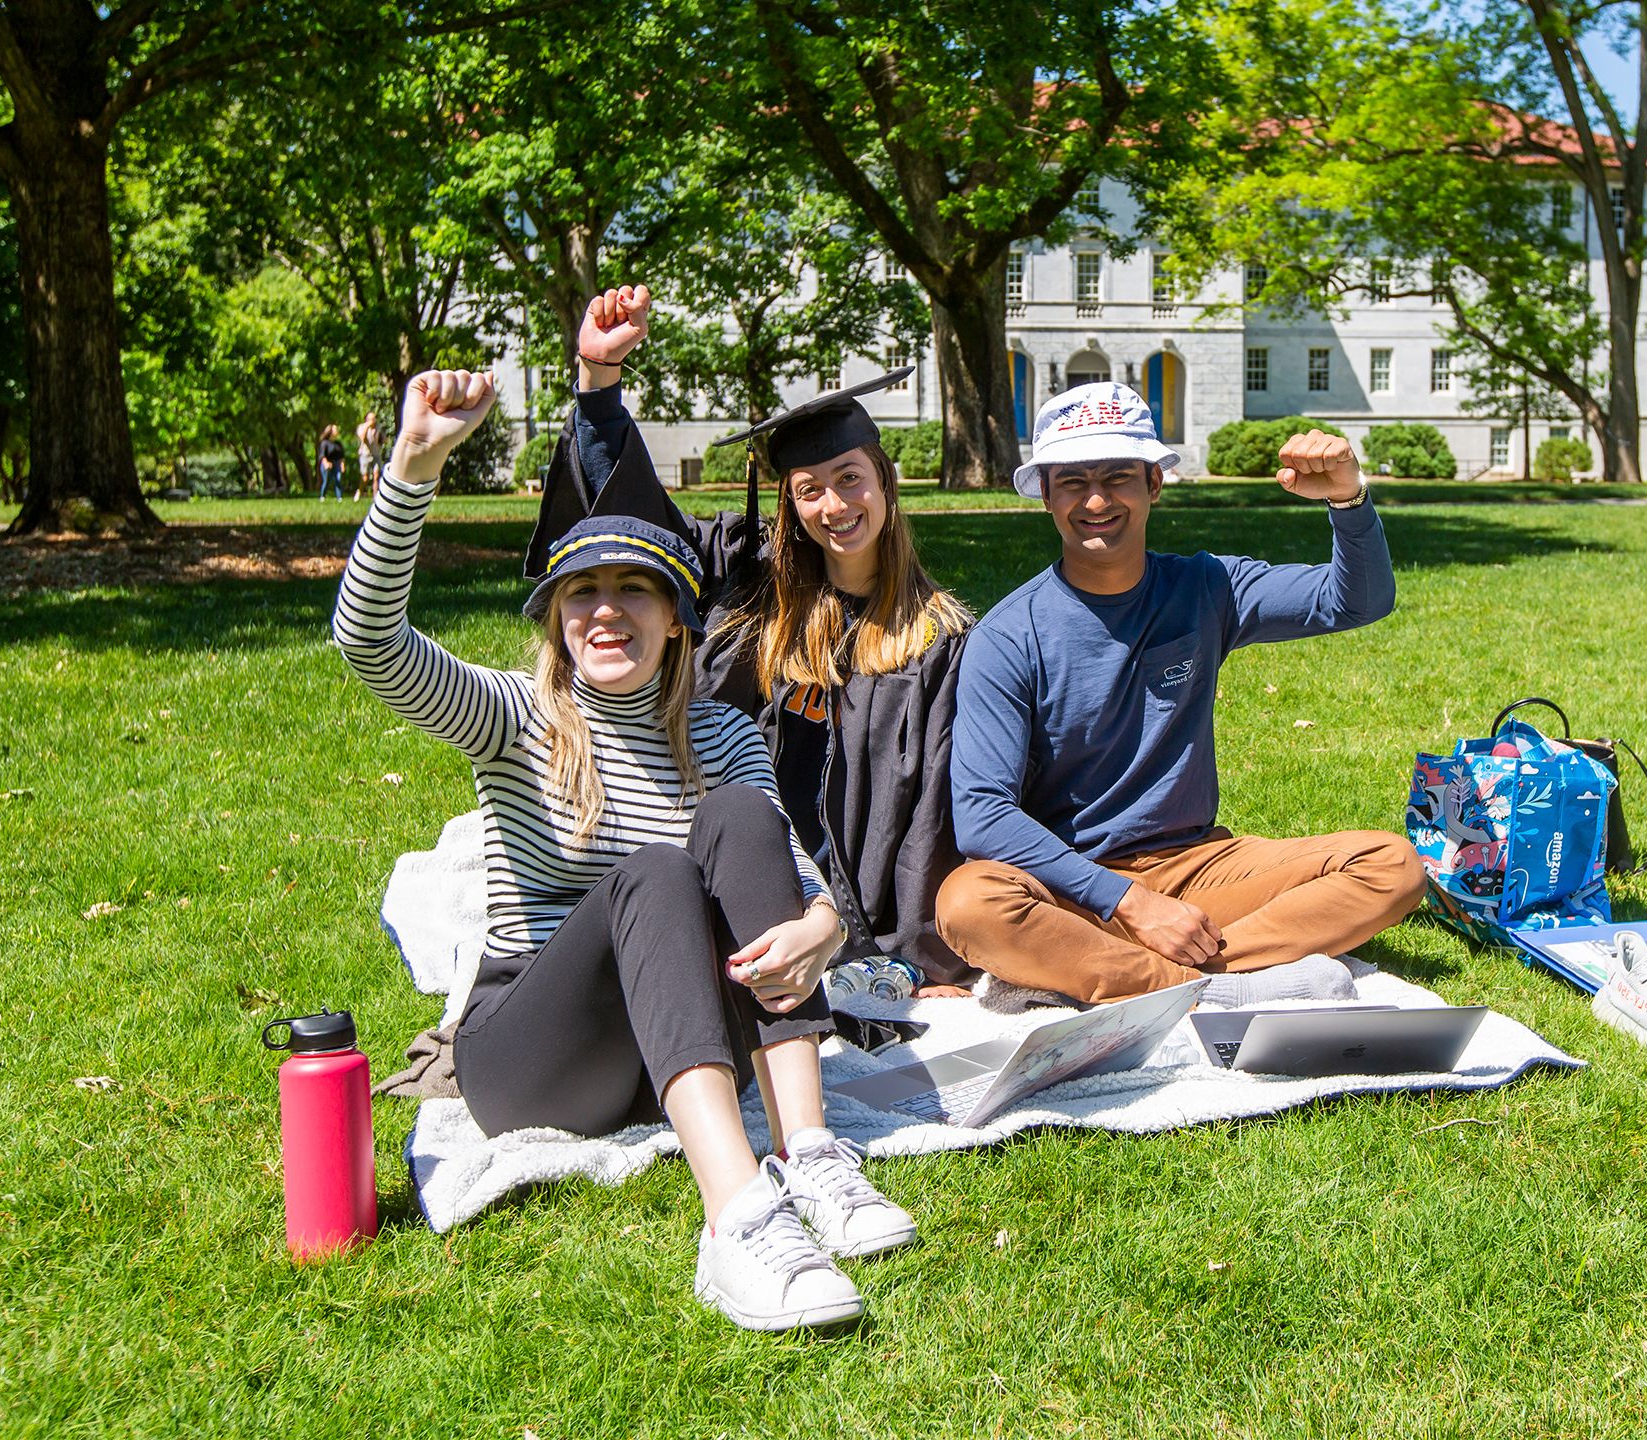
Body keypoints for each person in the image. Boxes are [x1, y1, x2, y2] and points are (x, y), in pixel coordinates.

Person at [333, 367, 913, 1332]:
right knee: (654, 869)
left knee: (731, 819)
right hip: (535, 1052)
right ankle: (735, 1218)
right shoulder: (513, 716)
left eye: (636, 590)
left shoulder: (719, 733)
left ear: (677, 619)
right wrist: (412, 464)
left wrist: (822, 922)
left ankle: (811, 1157)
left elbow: (790, 866)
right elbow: (369, 642)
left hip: (676, 1042)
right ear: (556, 617)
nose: (607, 611)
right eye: (583, 591)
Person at [545, 285, 978, 994]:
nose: (834, 507)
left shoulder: (935, 635)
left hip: (868, 908)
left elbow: (936, 809)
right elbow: (635, 527)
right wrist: (599, 387)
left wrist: (917, 955)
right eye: (808, 489)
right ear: (788, 503)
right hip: (743, 865)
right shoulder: (750, 584)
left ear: (885, 485)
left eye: (849, 479)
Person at [936, 382, 1425, 1007]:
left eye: (1117, 477)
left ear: (1154, 485)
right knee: (968, 903)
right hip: (1071, 886)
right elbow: (983, 814)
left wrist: (1347, 500)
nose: (1096, 499)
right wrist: (1130, 903)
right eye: (1072, 481)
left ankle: (1151, 980)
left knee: (1392, 865)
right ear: (1047, 497)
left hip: (1201, 870)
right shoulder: (1008, 635)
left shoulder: (1207, 585)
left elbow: (1356, 600)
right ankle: (1213, 987)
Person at [355, 411, 383, 503]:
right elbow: (363, 439)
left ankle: (376, 497)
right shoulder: (362, 427)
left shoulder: (379, 428)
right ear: (367, 420)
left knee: (376, 475)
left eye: (374, 418)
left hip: (376, 454)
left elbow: (382, 440)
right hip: (365, 454)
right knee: (365, 477)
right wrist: (367, 427)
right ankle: (359, 491)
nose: (373, 420)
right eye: (371, 419)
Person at [315, 423, 346, 500]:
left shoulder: (338, 444)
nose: (337, 431)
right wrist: (326, 464)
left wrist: (342, 465)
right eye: (335, 429)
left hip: (337, 464)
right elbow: (322, 455)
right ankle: (322, 496)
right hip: (327, 464)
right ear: (330, 431)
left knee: (338, 480)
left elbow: (341, 456)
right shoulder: (325, 443)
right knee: (326, 481)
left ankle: (339, 498)